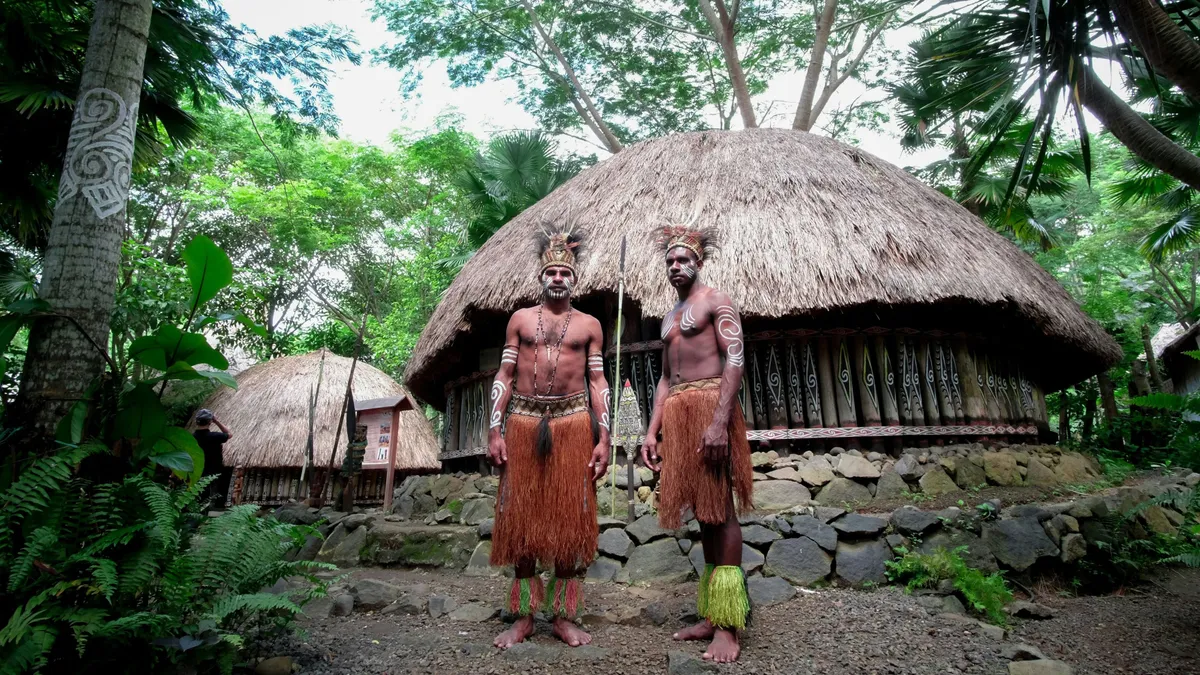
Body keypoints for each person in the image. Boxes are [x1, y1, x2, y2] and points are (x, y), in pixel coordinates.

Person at [487, 229, 611, 650]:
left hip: (574, 424)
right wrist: (494, 429)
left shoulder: (590, 325)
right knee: (520, 518)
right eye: (551, 271)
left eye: (564, 272)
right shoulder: (520, 319)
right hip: (521, 422)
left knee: (569, 520)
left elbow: (598, 381)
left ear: (574, 279)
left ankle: (562, 616)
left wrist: (604, 437)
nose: (558, 277)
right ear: (542, 276)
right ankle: (523, 617)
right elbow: (504, 375)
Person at [640, 225, 753, 663]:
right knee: (702, 512)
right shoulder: (669, 316)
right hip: (680, 412)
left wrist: (720, 421)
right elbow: (667, 378)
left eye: (683, 260)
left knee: (720, 509)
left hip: (710, 407)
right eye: (669, 261)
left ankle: (729, 628)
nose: (675, 266)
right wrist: (654, 431)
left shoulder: (716, 301)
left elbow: (735, 358)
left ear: (699, 262)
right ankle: (712, 612)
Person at [193, 409, 233, 508]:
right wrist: (217, 421)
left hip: (197, 471)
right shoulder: (214, 436)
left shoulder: (192, 437)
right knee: (214, 495)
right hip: (214, 471)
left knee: (199, 496)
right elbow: (229, 434)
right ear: (210, 421)